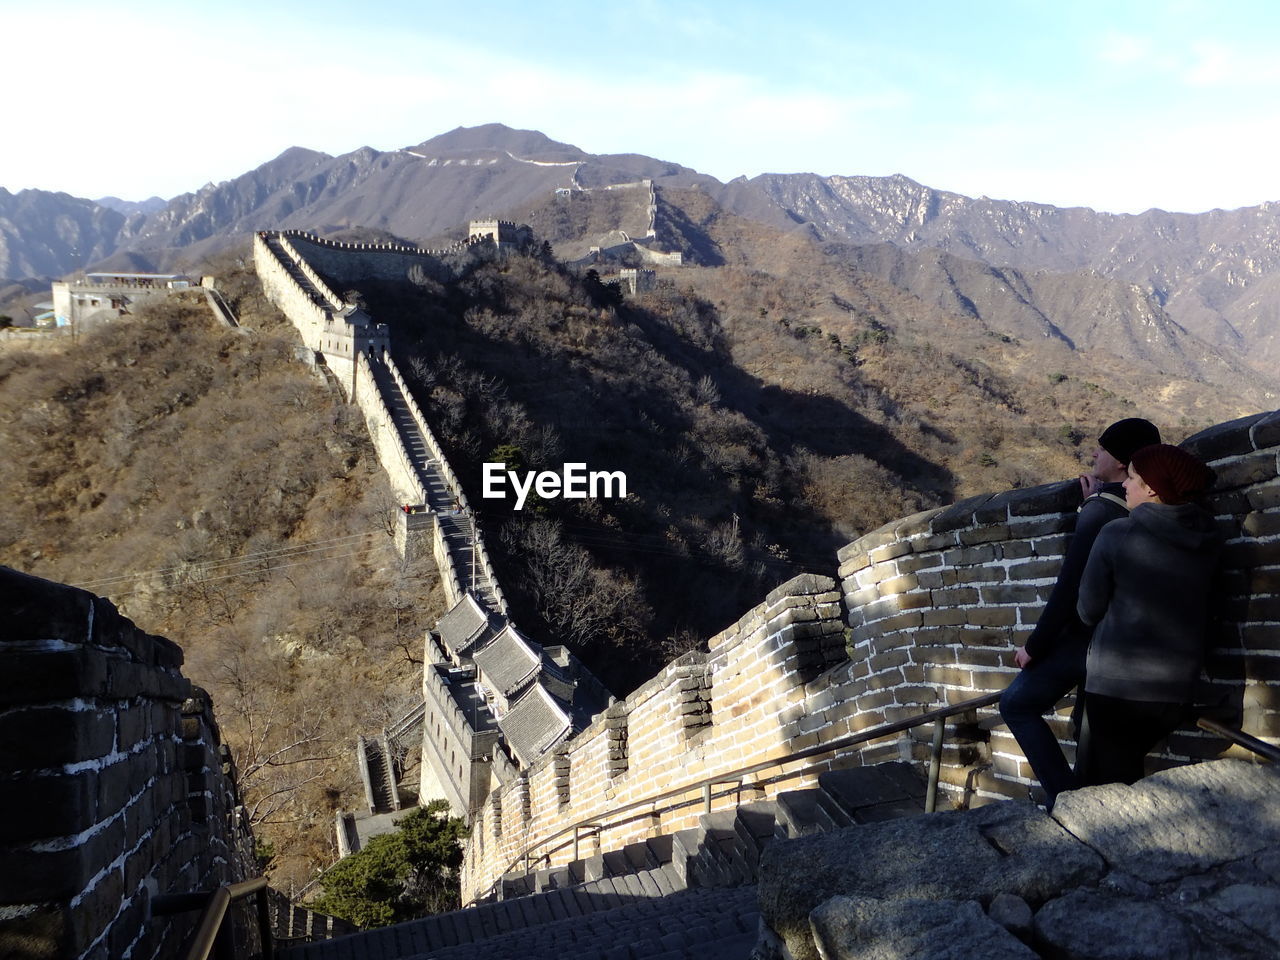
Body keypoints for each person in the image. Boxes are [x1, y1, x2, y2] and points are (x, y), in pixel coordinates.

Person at [999, 417, 1160, 809]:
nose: (1094, 453)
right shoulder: (1147, 508)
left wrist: (1034, 647)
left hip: (1084, 639)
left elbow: (1069, 588)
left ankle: (1069, 802)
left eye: (1102, 449)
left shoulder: (1100, 513)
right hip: (1128, 646)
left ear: (1123, 464)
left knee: (1016, 705)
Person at [1073, 443, 1220, 788]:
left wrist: (1088, 507)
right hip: (1175, 692)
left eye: (1134, 478)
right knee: (1127, 778)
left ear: (1152, 488)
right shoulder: (1209, 538)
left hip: (1117, 689)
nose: (1125, 484)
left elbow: (1087, 610)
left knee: (1099, 792)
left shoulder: (1118, 533)